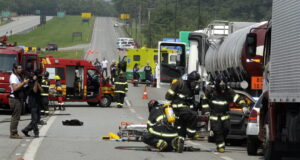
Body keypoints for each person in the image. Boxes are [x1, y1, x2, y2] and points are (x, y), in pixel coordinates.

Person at [201, 75, 247, 153]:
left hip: (225, 115)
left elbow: (237, 98)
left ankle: (220, 142)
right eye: (221, 85)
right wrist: (206, 111)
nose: (222, 88)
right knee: (217, 131)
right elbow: (204, 100)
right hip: (214, 115)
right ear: (217, 84)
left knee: (226, 129)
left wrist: (243, 106)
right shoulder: (211, 91)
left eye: (224, 85)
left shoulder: (228, 91)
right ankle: (220, 146)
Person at [165, 71, 200, 139]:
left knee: (182, 128)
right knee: (193, 115)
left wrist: (196, 100)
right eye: (194, 82)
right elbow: (167, 96)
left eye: (197, 83)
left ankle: (181, 139)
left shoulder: (194, 88)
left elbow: (196, 99)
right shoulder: (179, 83)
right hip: (177, 106)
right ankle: (191, 133)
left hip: (186, 107)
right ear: (190, 80)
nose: (195, 84)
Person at [9, 64, 29, 139]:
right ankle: (13, 133)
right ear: (14, 69)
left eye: (21, 68)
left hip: (18, 99)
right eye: (19, 68)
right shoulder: (13, 77)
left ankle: (14, 133)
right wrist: (24, 83)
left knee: (16, 117)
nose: (20, 69)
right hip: (14, 99)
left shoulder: (18, 76)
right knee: (15, 117)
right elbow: (15, 88)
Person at [22, 70, 43, 138]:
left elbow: (41, 90)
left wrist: (37, 81)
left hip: (38, 102)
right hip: (33, 103)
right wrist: (35, 81)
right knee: (34, 119)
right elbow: (35, 90)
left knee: (37, 119)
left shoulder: (37, 81)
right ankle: (36, 133)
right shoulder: (30, 82)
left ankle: (26, 129)